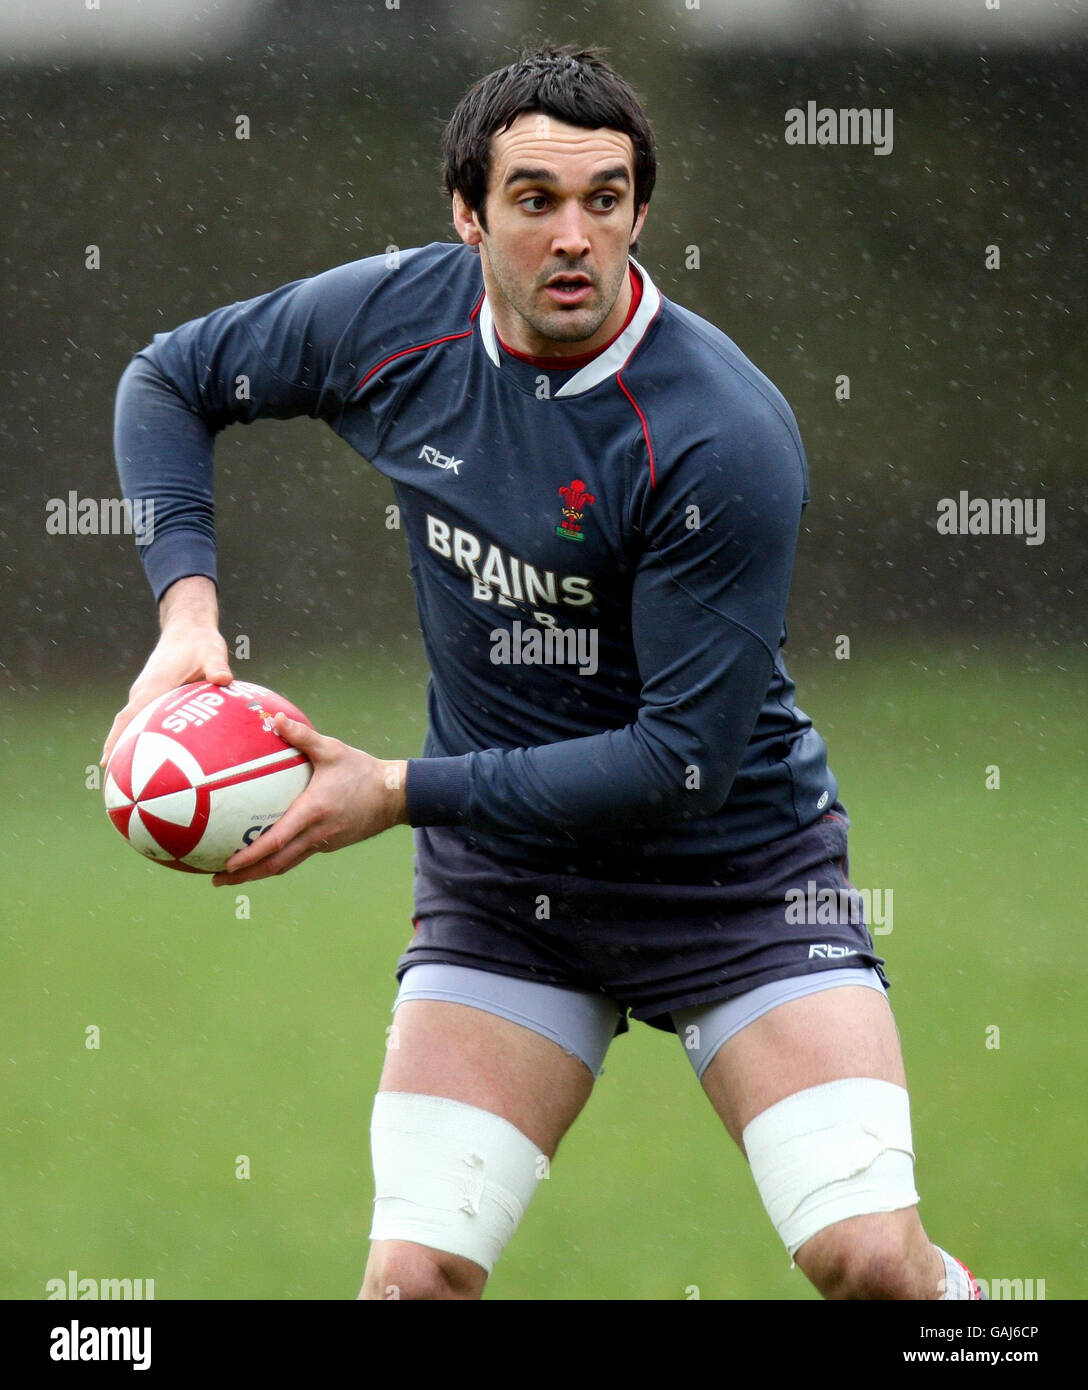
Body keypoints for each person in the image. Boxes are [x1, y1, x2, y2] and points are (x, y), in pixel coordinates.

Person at [104, 45, 981, 1301]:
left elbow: (676, 766)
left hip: (731, 884)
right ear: (467, 215)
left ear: (638, 212)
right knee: (411, 1285)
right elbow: (170, 376)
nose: (573, 236)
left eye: (604, 200)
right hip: (507, 891)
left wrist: (397, 789)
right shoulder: (394, 322)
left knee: (871, 1266)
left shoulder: (715, 433)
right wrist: (187, 614)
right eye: (532, 200)